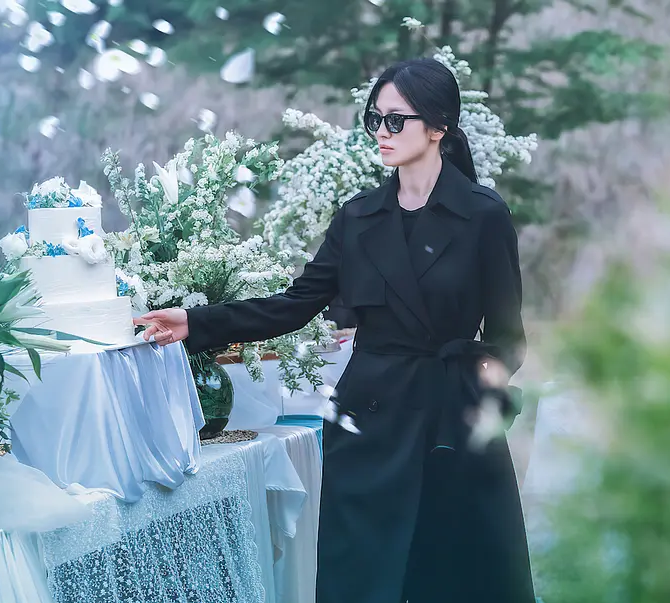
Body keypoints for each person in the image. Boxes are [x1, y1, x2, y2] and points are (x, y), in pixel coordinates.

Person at [134, 57, 534, 603]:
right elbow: (296, 304)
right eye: (375, 118)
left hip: (453, 425)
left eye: (397, 120)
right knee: (362, 581)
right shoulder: (358, 217)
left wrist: (473, 393)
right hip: (370, 423)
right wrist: (195, 321)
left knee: (458, 581)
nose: (381, 132)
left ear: (438, 126)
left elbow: (510, 340)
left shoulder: (483, 214)